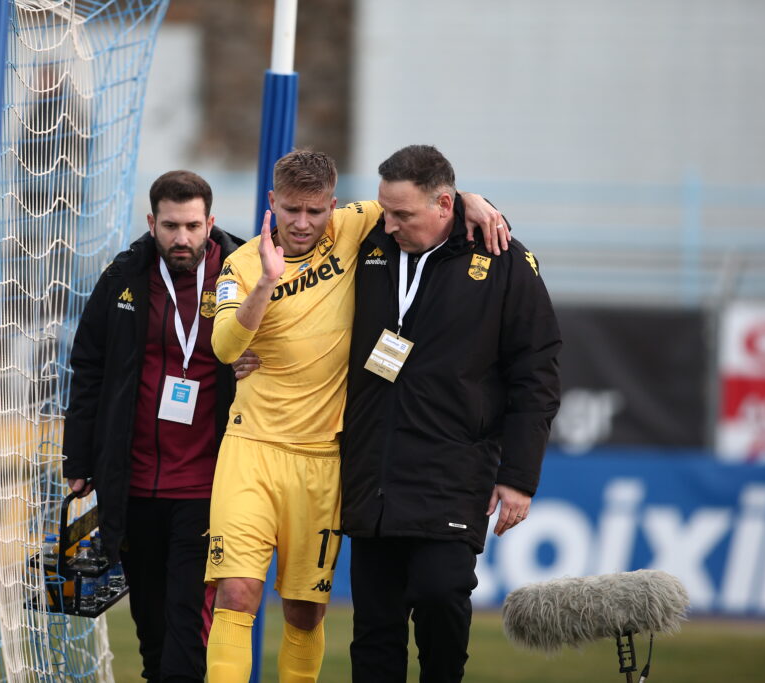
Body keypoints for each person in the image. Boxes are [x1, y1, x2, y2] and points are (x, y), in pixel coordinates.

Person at [206, 150, 508, 683]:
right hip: (250, 449)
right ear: (271, 202)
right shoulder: (244, 263)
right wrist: (264, 287)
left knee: (304, 611)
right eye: (292, 210)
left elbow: (423, 199)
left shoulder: (357, 226)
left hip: (325, 461)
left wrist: (472, 201)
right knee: (236, 593)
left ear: (335, 206)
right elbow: (227, 346)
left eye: (315, 211)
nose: (303, 224)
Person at [341, 145, 562, 681]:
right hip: (374, 470)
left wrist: (518, 478)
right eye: (384, 210)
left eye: (403, 215)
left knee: (441, 596)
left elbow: (538, 374)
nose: (388, 225)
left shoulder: (504, 259)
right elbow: (296, 232)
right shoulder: (369, 242)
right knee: (374, 629)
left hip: (452, 469)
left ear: (444, 207)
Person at [63, 170, 243, 683]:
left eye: (191, 225)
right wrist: (79, 460)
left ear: (209, 221)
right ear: (152, 222)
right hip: (134, 485)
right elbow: (89, 367)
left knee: (186, 629)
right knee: (151, 632)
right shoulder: (122, 276)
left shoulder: (244, 273)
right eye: (170, 225)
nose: (181, 238)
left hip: (208, 486)